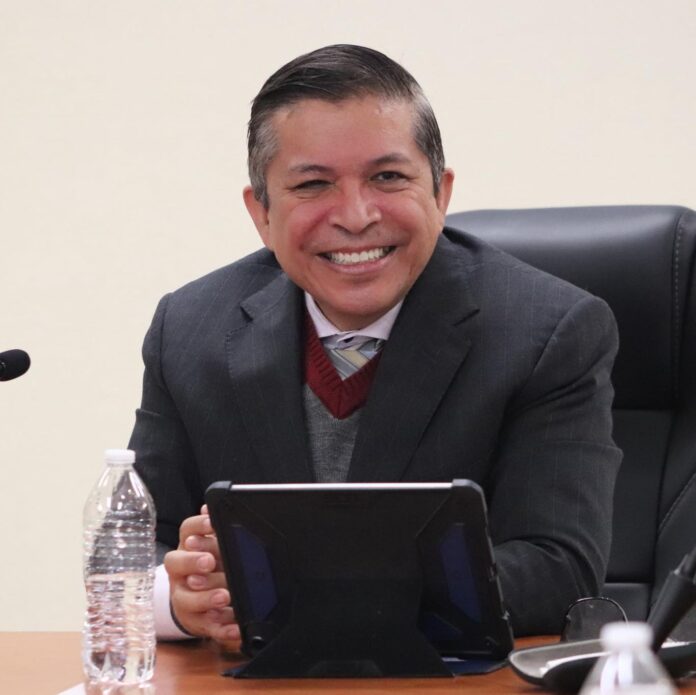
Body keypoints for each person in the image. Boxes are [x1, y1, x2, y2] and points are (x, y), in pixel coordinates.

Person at [128, 44, 622, 649]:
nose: (356, 216)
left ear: (439, 193)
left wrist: (300, 586)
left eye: (387, 177)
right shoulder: (189, 328)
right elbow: (133, 548)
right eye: (313, 184)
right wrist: (181, 599)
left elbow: (559, 570)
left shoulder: (548, 331)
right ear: (261, 214)